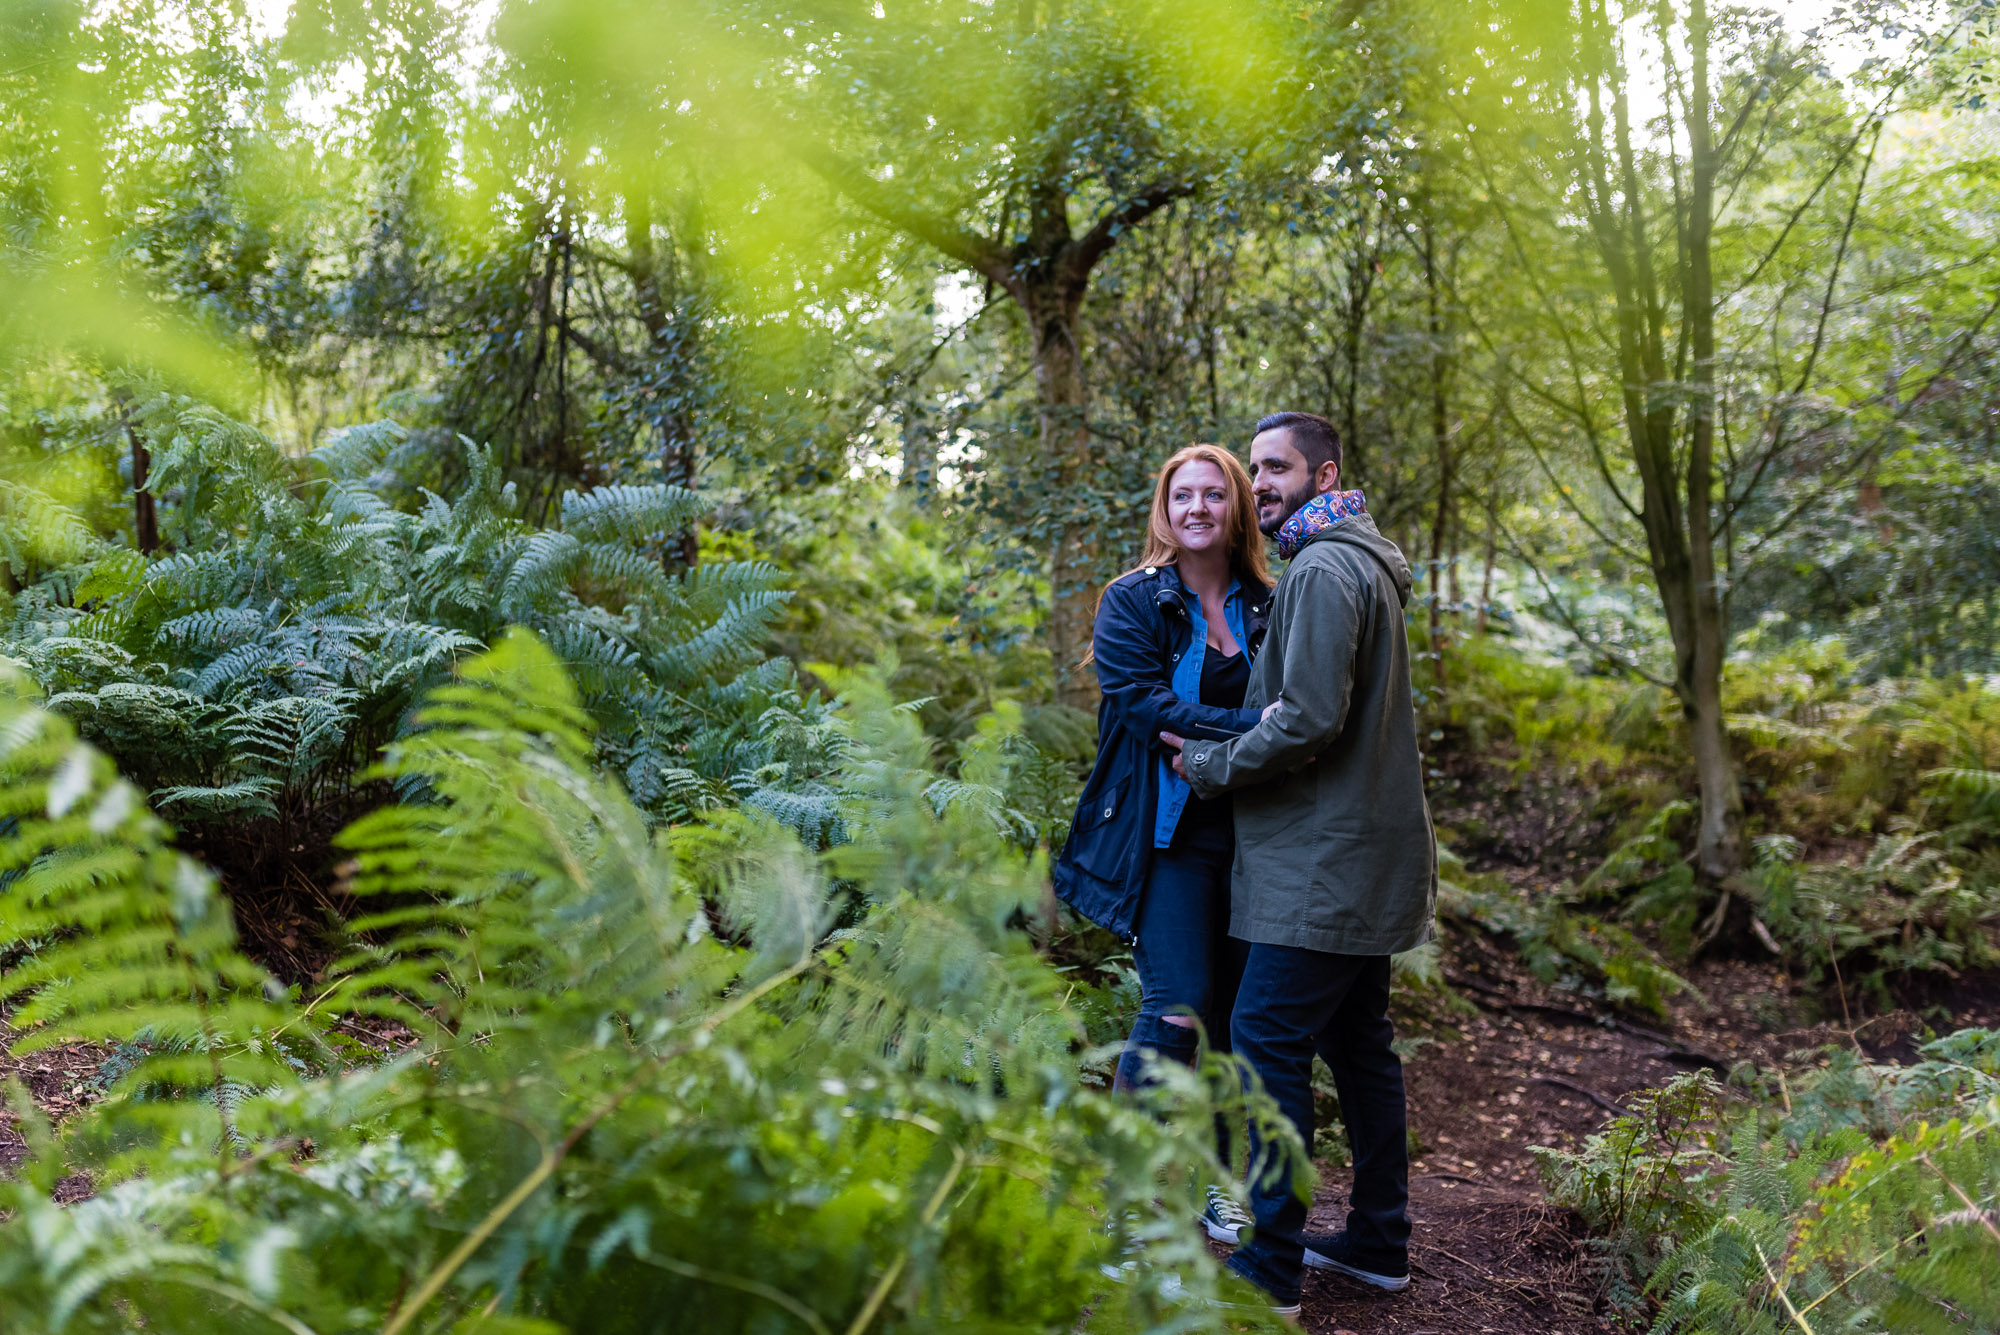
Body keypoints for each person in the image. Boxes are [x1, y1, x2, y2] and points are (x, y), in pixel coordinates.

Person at [1161, 410, 1438, 1311]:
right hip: (1367, 855)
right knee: (1360, 1048)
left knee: (1266, 1038)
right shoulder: (1364, 563)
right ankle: (1378, 1239)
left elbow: (1306, 718)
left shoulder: (1321, 568)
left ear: (1324, 478)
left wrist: (1207, 764)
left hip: (1321, 861)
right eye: (1254, 468)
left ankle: (1270, 1264)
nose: (1260, 483)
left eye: (1276, 468)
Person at [1051, 443, 1277, 1246]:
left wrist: (1241, 736)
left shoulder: (1266, 602)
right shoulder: (1133, 601)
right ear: (1163, 507)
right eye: (1182, 495)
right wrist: (1261, 730)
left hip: (1257, 843)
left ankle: (1218, 1188)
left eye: (1214, 495)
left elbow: (1300, 702)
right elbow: (1146, 709)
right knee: (1177, 1004)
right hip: (1166, 835)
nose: (1197, 509)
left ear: (1236, 507)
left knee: (1229, 1019)